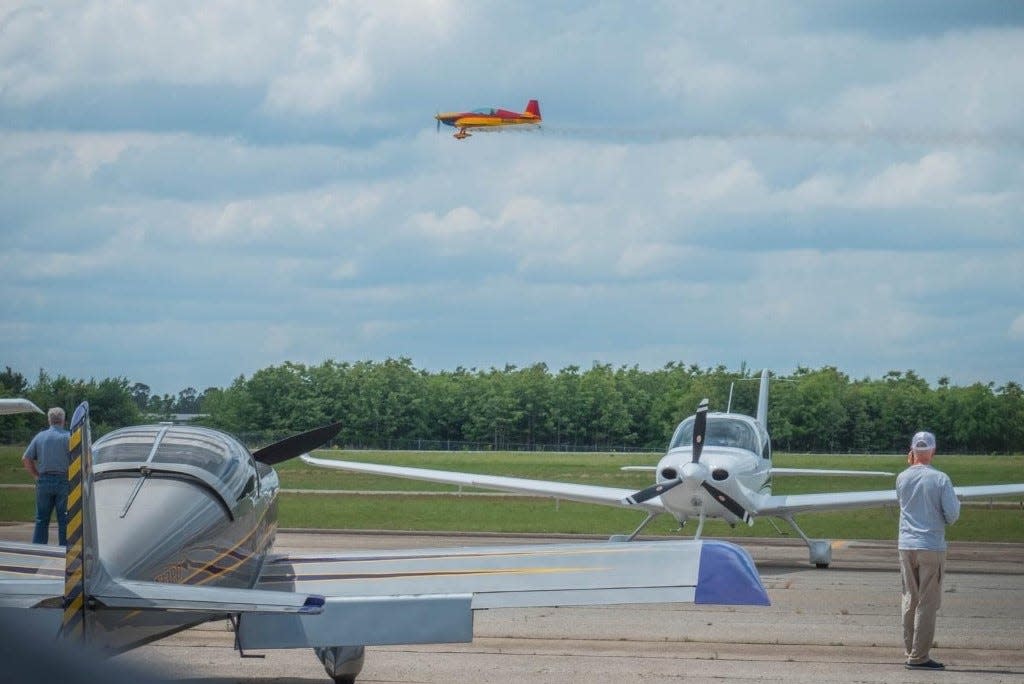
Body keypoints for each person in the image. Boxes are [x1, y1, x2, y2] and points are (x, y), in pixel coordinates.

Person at [896, 430, 960, 670]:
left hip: (906, 545)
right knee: (927, 601)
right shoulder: (941, 478)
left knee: (909, 598)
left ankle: (909, 649)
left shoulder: (902, 478)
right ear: (932, 451)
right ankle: (919, 656)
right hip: (931, 546)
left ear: (912, 451)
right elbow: (952, 515)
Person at [22, 407, 71, 545]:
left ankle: (38, 550)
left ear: (49, 420)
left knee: (41, 520)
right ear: (63, 420)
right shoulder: (69, 437)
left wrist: (36, 476)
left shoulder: (40, 436)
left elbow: (26, 459)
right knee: (64, 520)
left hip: (43, 480)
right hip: (63, 481)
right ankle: (65, 551)